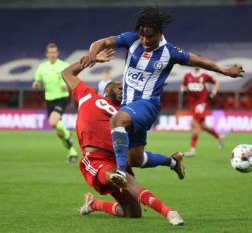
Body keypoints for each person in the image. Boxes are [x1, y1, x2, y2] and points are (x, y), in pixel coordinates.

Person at [80, 6, 244, 186]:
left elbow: (198, 60)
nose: (144, 39)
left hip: (148, 104)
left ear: (160, 33)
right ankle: (173, 162)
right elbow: (101, 42)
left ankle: (120, 174)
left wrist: (225, 70)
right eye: (142, 35)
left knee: (116, 121)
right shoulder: (131, 40)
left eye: (149, 36)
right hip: (128, 105)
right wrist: (91, 55)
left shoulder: (170, 52)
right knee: (134, 159)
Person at [61, 49, 184, 226]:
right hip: (96, 159)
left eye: (125, 91)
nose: (123, 92)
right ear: (107, 88)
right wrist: (91, 59)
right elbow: (66, 73)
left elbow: (137, 157)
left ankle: (93, 204)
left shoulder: (125, 113)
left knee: (133, 213)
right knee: (122, 177)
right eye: (120, 88)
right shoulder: (87, 94)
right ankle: (169, 212)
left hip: (118, 158)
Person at [32, 43, 78, 163]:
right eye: (50, 52)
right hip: (49, 100)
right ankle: (71, 151)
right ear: (47, 54)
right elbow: (36, 82)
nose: (52, 54)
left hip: (62, 98)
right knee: (58, 131)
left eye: (54, 52)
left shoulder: (64, 66)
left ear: (57, 53)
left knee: (53, 122)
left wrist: (67, 86)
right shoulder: (42, 68)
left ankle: (68, 134)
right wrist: (36, 85)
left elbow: (73, 82)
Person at [181, 67, 224, 157]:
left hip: (201, 103)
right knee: (203, 126)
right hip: (192, 104)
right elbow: (183, 86)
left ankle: (192, 149)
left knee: (194, 124)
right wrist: (183, 90)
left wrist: (213, 92)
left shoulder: (204, 75)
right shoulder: (187, 75)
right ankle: (219, 136)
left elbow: (216, 82)